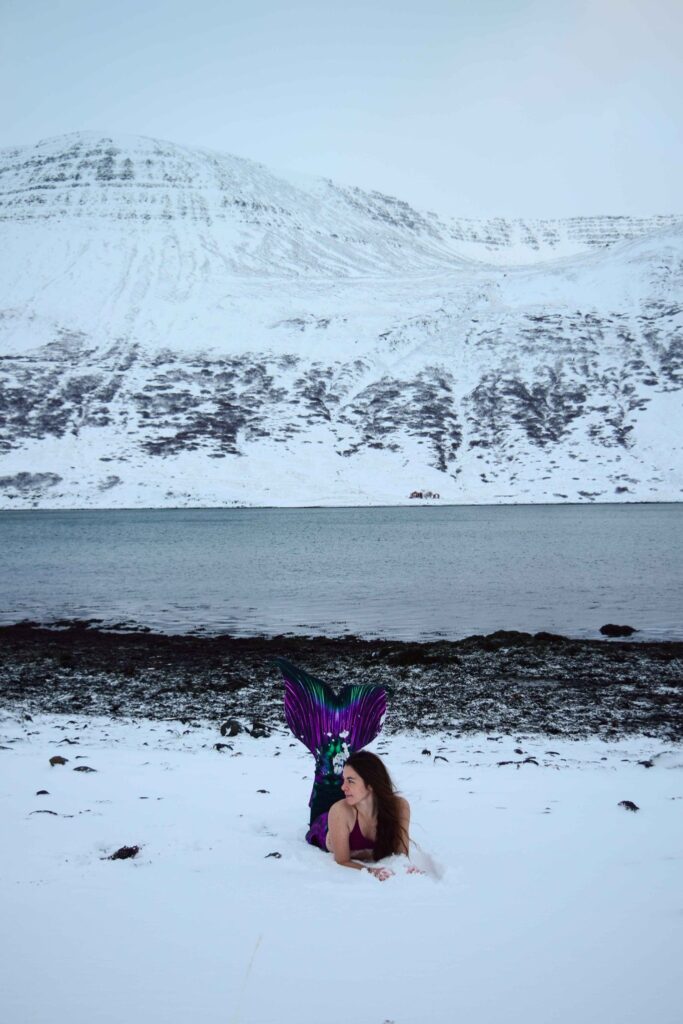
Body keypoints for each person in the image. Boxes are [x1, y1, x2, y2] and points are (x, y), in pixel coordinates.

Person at [275, 658, 413, 880]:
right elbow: (342, 859)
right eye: (346, 780)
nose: (343, 785)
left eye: (350, 781)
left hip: (353, 805)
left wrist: (407, 868)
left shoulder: (399, 807)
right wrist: (370, 868)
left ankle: (331, 724)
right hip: (327, 818)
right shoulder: (340, 811)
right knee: (329, 768)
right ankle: (326, 715)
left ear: (371, 784)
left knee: (332, 765)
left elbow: (401, 854)